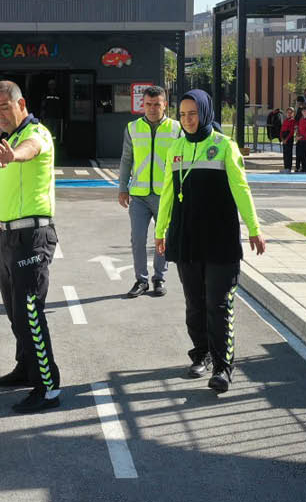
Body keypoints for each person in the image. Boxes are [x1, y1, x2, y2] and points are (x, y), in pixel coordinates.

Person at [155, 89, 265, 394]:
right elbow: (167, 192)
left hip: (219, 240)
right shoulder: (175, 148)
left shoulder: (224, 146)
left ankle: (222, 368)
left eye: (194, 114)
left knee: (218, 305)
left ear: (205, 113)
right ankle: (200, 353)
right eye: (183, 115)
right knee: (195, 305)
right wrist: (161, 230)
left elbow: (241, 189)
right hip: (186, 239)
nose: (188, 120)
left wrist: (254, 227)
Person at [0, 80, 62, 413]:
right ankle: (26, 367)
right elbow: (12, 192)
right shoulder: (6, 139)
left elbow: (31, 149)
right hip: (10, 237)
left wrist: (15, 155)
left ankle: (49, 387)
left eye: (4, 107)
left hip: (33, 238)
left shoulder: (34, 135)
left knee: (30, 314)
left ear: (21, 104)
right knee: (15, 312)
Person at [116, 84, 181, 298]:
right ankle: (141, 280)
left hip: (166, 195)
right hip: (140, 196)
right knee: (137, 238)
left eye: (157, 104)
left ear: (165, 105)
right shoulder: (132, 128)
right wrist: (123, 188)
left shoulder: (176, 129)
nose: (152, 108)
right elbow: (126, 160)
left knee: (161, 237)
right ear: (143, 105)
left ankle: (159, 278)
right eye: (149, 104)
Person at [294, 106, 306, 172]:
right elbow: (299, 129)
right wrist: (297, 136)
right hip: (300, 140)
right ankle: (301, 168)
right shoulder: (301, 119)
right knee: (300, 155)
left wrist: (301, 137)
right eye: (303, 111)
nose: (304, 112)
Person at [279, 107, 296, 173]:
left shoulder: (292, 121)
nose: (289, 114)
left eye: (290, 112)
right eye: (288, 112)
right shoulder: (285, 120)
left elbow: (291, 131)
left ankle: (288, 168)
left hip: (289, 138)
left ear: (293, 114)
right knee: (285, 153)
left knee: (289, 154)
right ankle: (285, 167)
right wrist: (282, 138)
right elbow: (281, 130)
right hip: (284, 137)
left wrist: (286, 139)